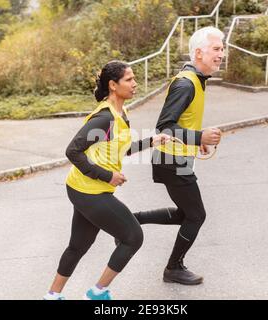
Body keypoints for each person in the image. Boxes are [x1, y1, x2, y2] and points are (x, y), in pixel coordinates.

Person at [43, 61, 171, 300]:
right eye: (129, 80)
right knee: (133, 237)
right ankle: (96, 293)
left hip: (84, 188)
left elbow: (122, 148)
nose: (135, 84)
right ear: (113, 85)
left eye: (134, 79)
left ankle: (52, 295)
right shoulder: (105, 118)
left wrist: (151, 141)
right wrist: (107, 175)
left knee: (78, 246)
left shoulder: (121, 114)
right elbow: (73, 151)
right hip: (90, 190)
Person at [134, 27, 224, 285]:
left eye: (222, 48)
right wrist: (199, 137)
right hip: (170, 160)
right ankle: (173, 268)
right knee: (196, 215)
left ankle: (134, 220)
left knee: (187, 213)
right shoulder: (186, 83)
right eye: (216, 49)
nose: (222, 54)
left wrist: (197, 140)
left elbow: (181, 123)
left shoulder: (195, 80)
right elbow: (164, 127)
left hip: (178, 159)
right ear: (199, 52)